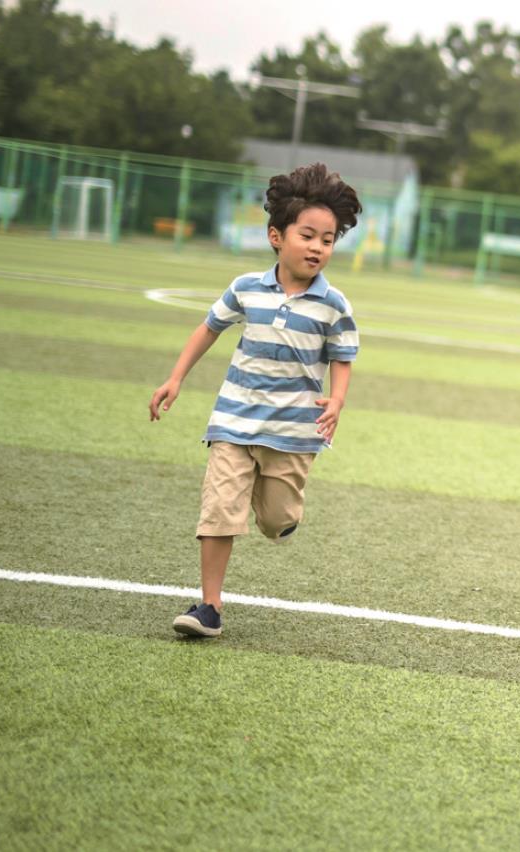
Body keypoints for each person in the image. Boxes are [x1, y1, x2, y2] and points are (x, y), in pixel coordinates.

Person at [148, 162, 363, 638]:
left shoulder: (334, 305)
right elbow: (209, 328)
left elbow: (343, 356)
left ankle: (280, 518)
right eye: (308, 235)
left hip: (293, 432)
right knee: (219, 509)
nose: (318, 247)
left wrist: (337, 400)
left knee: (275, 518)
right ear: (276, 236)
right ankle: (209, 607)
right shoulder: (245, 288)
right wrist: (176, 378)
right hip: (234, 420)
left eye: (327, 240)